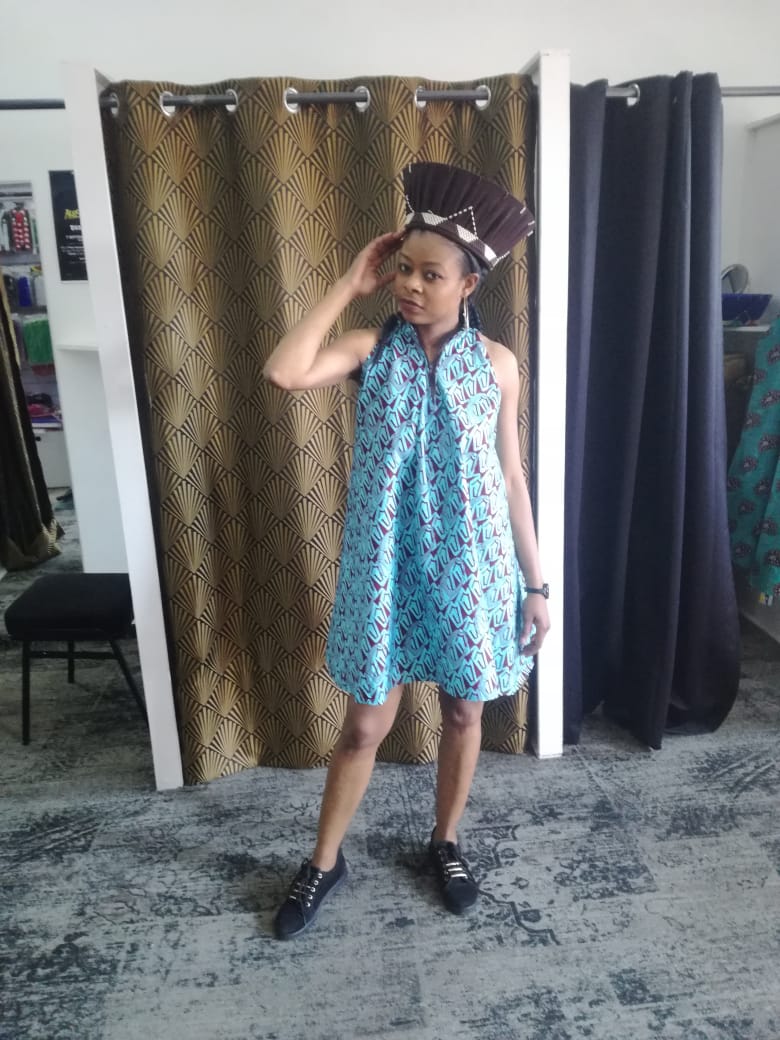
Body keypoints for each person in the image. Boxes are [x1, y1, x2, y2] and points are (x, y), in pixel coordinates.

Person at [263, 162, 550, 940]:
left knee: (462, 711)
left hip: (473, 567)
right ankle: (324, 861)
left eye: (431, 274)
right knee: (364, 728)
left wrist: (536, 584)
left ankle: (445, 842)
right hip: (386, 569)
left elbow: (512, 476)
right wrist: (348, 284)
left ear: (468, 285)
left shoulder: (498, 366)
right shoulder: (369, 349)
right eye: (404, 270)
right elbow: (284, 372)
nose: (411, 286)